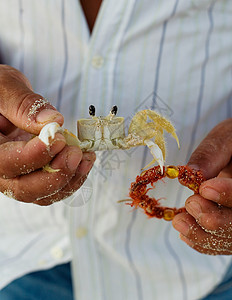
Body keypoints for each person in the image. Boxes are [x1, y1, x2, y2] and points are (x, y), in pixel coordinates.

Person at [0, 1, 231, 299]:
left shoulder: (133, 129)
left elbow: (150, 129)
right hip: (25, 254)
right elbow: (50, 134)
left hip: (193, 271)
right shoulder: (69, 138)